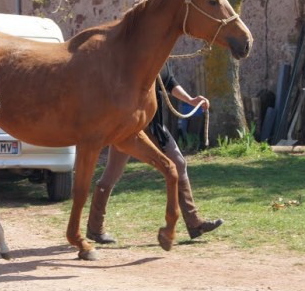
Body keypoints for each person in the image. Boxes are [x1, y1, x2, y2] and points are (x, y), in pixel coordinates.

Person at [86, 69, 223, 244]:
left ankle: (94, 228)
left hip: (150, 125)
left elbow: (169, 81)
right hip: (133, 126)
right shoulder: (134, 53)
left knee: (111, 175)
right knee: (176, 164)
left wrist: (190, 99)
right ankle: (194, 223)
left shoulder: (159, 55)